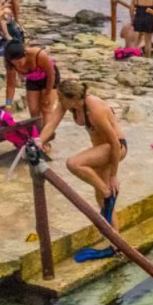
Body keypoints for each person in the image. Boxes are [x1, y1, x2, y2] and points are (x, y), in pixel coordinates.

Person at [38, 79, 127, 231]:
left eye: (61, 98)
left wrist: (113, 175)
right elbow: (52, 123)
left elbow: (114, 143)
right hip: (100, 150)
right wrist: (39, 141)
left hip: (116, 148)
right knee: (101, 200)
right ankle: (116, 242)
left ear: (72, 97)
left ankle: (107, 193)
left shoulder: (94, 109)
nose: (59, 101)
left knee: (74, 163)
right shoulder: (69, 104)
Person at [3, 41, 58, 119]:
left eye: (19, 62)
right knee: (34, 112)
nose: (18, 65)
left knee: (46, 109)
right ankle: (37, 130)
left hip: (48, 78)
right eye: (15, 64)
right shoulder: (10, 65)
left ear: (25, 55)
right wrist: (8, 105)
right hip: (32, 79)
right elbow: (10, 86)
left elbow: (51, 75)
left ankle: (47, 130)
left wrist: (47, 94)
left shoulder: (38, 55)